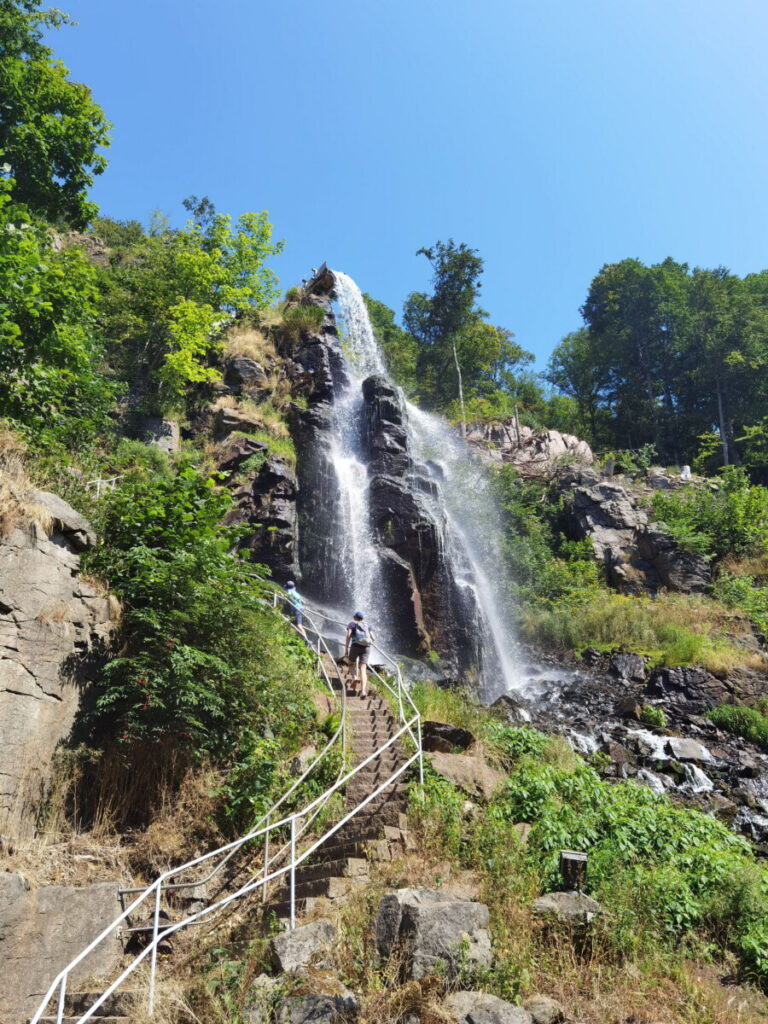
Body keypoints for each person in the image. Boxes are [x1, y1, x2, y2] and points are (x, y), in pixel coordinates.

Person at [344, 611, 376, 698]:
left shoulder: (352, 624)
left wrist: (346, 649)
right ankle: (363, 691)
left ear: (355, 617)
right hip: (367, 648)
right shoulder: (368, 626)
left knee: (350, 663)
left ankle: (354, 677)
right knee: (363, 669)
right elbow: (373, 638)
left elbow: (348, 636)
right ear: (363, 618)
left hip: (355, 646)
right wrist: (367, 643)